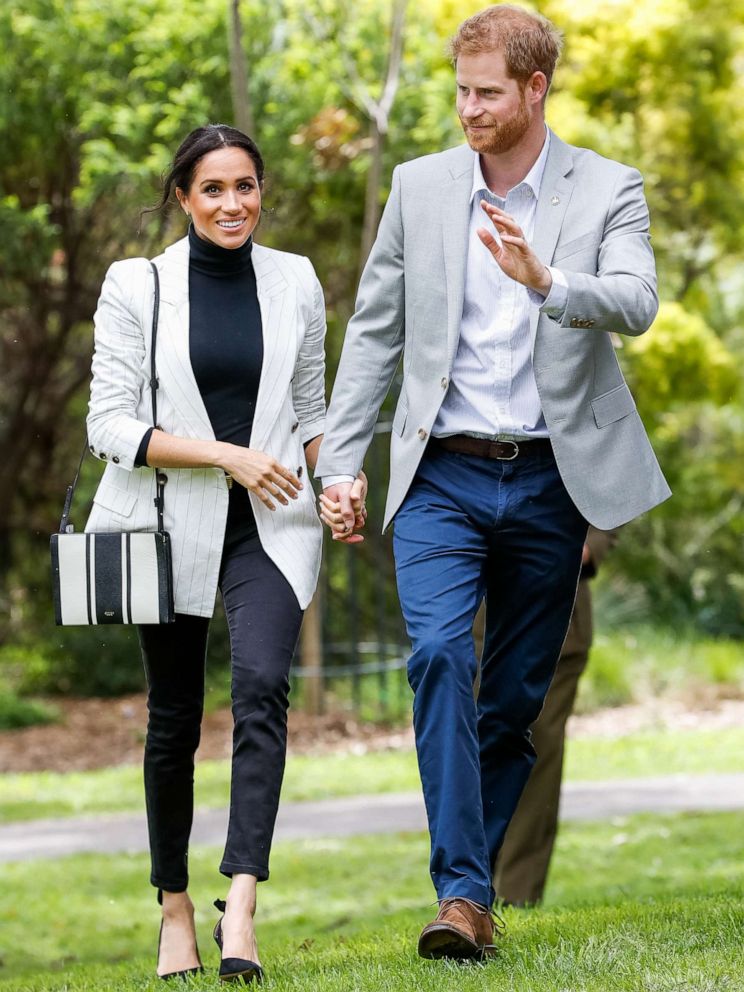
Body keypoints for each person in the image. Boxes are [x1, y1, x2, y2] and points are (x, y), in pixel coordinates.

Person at [316, 3, 670, 961]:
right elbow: (378, 332)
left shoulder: (607, 188)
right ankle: (462, 897)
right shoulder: (421, 187)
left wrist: (547, 278)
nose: (467, 108)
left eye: (486, 92)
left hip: (554, 479)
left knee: (513, 700)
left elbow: (636, 300)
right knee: (437, 656)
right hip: (441, 474)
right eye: (459, 90)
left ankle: (468, 897)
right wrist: (341, 459)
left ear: (534, 89)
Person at [85, 123, 344, 984]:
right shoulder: (139, 285)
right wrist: (225, 453)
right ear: (184, 198)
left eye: (246, 186)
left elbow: (311, 412)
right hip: (165, 527)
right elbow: (109, 427)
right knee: (173, 720)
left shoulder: (296, 280)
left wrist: (337, 478)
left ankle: (241, 904)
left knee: (264, 688)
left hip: (268, 526)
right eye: (214, 190)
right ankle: (174, 907)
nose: (234, 204)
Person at [494, 526, 619, 906]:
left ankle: (515, 897)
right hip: (477, 617)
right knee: (478, 749)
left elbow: (621, 472)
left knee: (538, 755)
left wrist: (589, 545)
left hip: (560, 610)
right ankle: (465, 894)